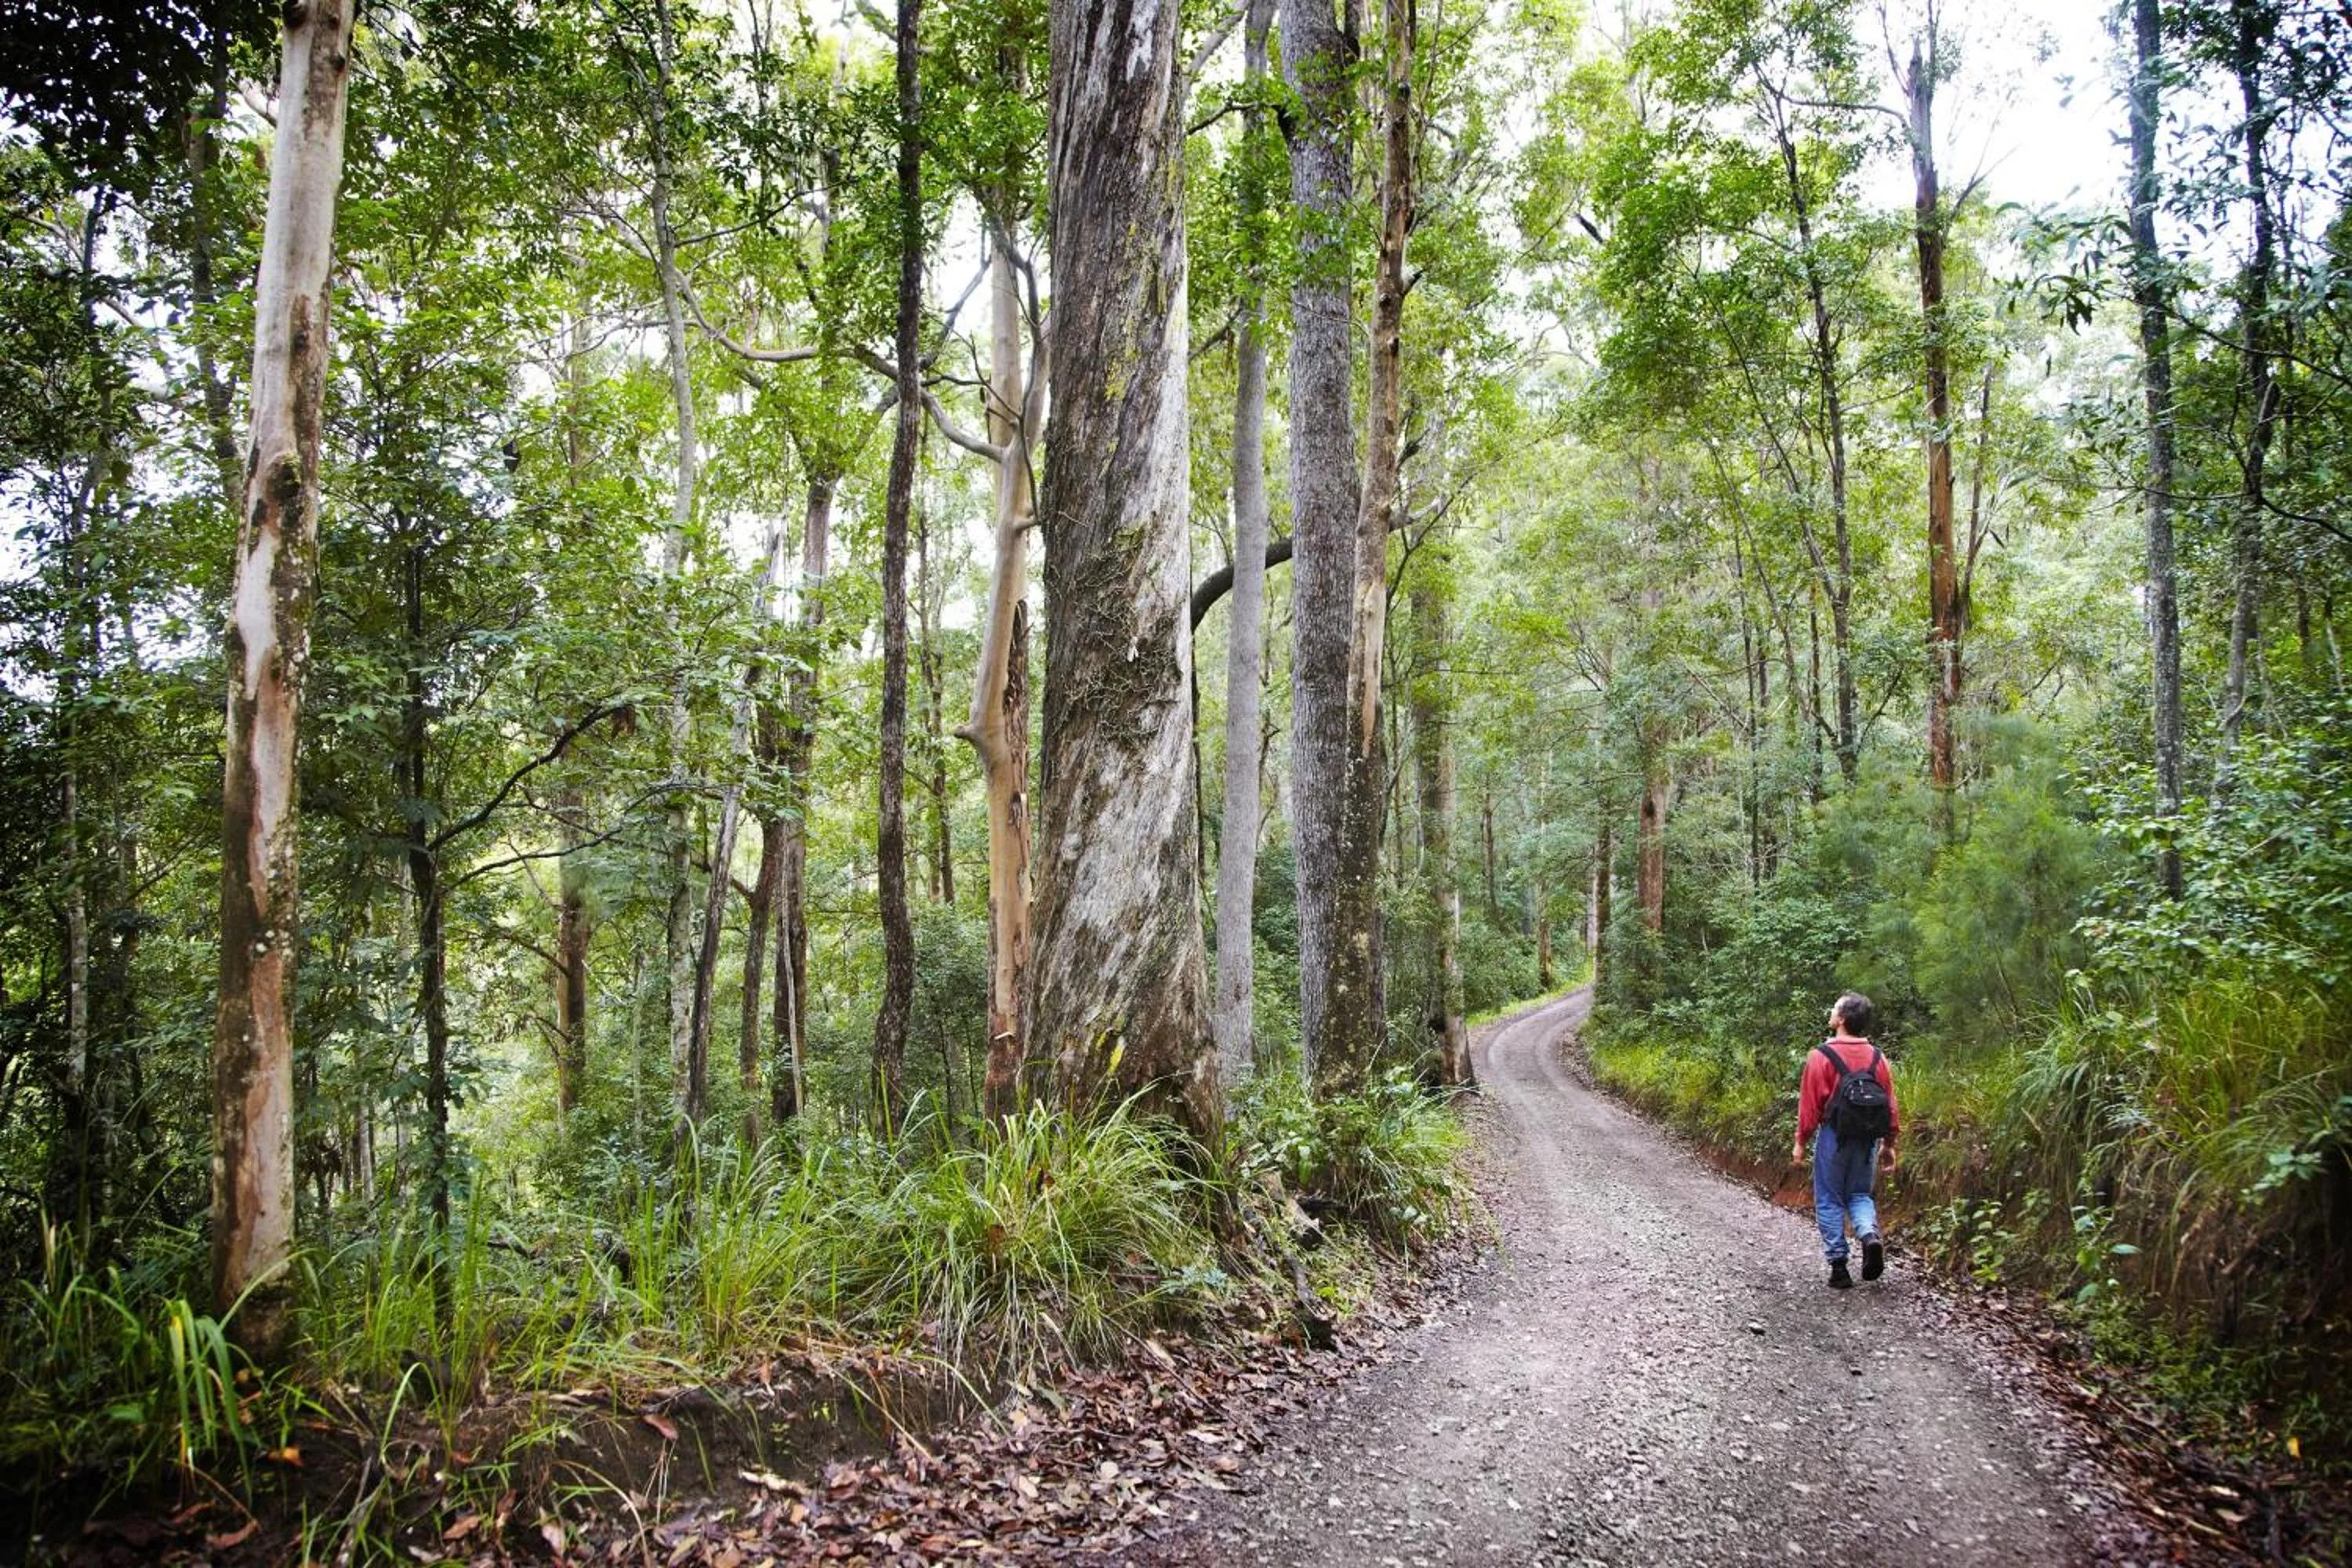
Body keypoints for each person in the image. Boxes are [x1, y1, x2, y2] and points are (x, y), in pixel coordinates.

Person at [1794, 991, 1898, 1290]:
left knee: (1829, 1197)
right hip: (1867, 1141)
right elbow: (1890, 1104)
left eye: (1834, 1008)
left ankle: (1839, 1266)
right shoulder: (1878, 1057)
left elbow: (1810, 1105)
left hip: (1833, 1137)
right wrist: (1889, 1145)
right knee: (1860, 1195)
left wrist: (1801, 1142)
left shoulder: (1820, 1056)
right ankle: (1869, 1236)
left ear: (1840, 1019)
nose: (1831, 1012)